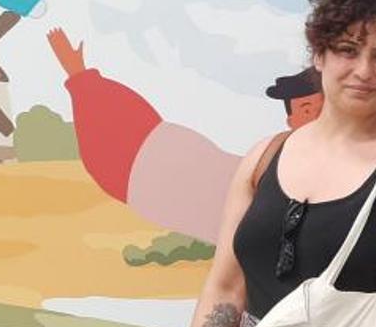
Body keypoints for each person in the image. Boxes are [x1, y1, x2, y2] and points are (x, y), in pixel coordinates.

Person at [189, 0, 376, 327]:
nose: (364, 71)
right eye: (348, 50)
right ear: (319, 55)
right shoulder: (266, 156)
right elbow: (225, 289)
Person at [47, 32, 324, 242]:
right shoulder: (268, 161)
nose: (318, 117)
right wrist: (80, 78)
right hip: (151, 167)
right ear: (292, 118)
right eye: (307, 109)